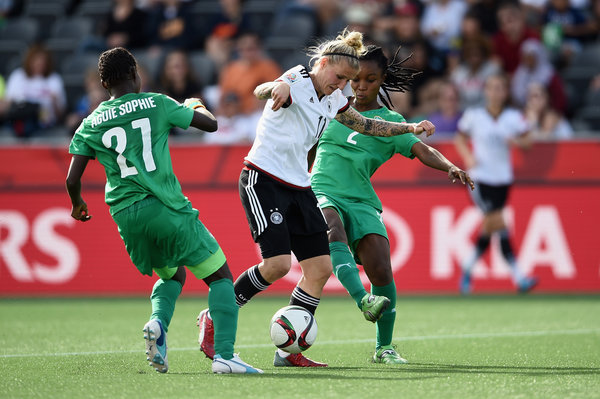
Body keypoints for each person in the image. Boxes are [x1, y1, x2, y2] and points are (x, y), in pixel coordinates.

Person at [197, 28, 435, 368]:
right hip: (263, 179)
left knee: (321, 268)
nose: (341, 86)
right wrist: (276, 87)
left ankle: (288, 352)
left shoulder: (335, 98)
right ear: (322, 64)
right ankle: (216, 314)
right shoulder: (297, 77)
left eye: (346, 82)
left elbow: (366, 125)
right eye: (338, 78)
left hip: (299, 187)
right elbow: (261, 89)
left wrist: (409, 128)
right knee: (278, 265)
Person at [65, 47, 262, 375]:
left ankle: (157, 323)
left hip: (126, 216)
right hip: (165, 206)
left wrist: (78, 205)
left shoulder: (91, 122)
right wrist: (193, 103)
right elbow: (211, 126)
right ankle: (225, 356)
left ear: (103, 83)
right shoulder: (156, 102)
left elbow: (73, 179)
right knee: (221, 277)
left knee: (173, 273)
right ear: (134, 73)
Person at [311, 45, 473, 364]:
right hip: (322, 188)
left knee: (382, 268)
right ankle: (362, 300)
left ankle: (383, 347)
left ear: (382, 80)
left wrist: (450, 165)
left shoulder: (390, 122)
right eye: (356, 79)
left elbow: (421, 149)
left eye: (370, 80)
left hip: (360, 199)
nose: (360, 85)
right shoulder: (331, 105)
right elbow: (307, 146)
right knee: (332, 229)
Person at [454, 73, 539, 295]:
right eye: (492, 88)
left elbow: (529, 141)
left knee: (494, 228)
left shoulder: (512, 117)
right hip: (479, 179)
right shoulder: (474, 115)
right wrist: (468, 158)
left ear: (505, 92)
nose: (496, 92)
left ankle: (468, 267)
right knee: (498, 222)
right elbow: (459, 138)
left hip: (503, 180)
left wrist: (517, 141)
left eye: (500, 88)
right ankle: (519, 277)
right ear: (486, 91)